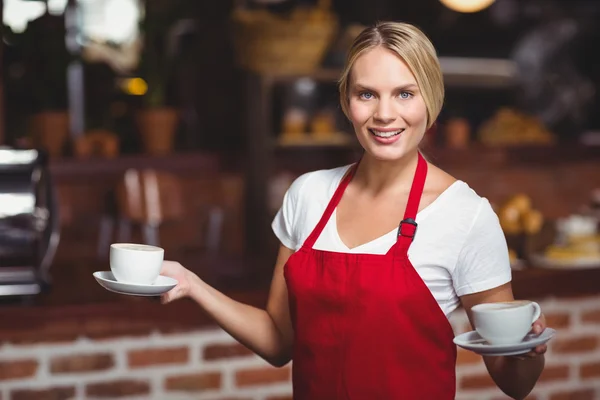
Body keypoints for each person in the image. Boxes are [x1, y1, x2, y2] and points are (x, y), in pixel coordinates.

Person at [160, 21, 547, 399]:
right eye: (367, 94)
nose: (384, 114)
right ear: (347, 102)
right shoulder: (308, 195)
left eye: (405, 94)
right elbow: (278, 341)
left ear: (432, 100)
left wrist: (527, 352)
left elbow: (516, 384)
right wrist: (192, 284)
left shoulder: (465, 215)